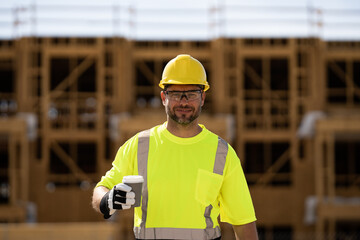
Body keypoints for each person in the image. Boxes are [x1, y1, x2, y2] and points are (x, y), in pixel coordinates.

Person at [92, 54, 258, 240]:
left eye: (192, 94)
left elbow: (244, 226)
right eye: (176, 94)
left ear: (202, 97)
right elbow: (101, 189)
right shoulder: (139, 146)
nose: (184, 101)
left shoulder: (222, 153)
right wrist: (107, 200)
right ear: (164, 97)